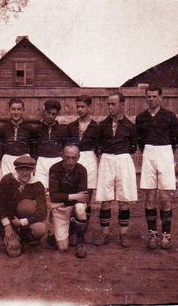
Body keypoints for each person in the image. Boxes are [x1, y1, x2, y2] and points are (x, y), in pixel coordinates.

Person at [136, 85, 178, 250]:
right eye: (149, 97)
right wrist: (150, 151)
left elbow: (175, 140)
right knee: (150, 196)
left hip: (165, 153)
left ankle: (166, 236)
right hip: (149, 153)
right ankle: (152, 234)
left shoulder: (170, 116)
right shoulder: (141, 118)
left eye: (155, 96)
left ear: (161, 98)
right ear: (146, 97)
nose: (151, 99)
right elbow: (140, 141)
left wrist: (164, 152)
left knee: (164, 197)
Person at [94, 92, 137, 248]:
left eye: (113, 104)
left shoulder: (130, 126)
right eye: (108, 104)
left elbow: (133, 147)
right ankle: (104, 233)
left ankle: (123, 234)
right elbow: (97, 144)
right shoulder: (102, 125)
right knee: (105, 199)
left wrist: (120, 154)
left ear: (122, 105)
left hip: (123, 160)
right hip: (106, 160)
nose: (110, 107)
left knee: (123, 199)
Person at [0, 156, 47, 258]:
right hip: (8, 222)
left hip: (25, 223)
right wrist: (7, 225)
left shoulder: (38, 185)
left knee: (40, 228)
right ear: (16, 170)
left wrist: (22, 222)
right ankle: (13, 240)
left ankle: (25, 240)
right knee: (14, 253)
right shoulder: (7, 180)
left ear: (32, 170)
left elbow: (43, 212)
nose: (24, 173)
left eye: (27, 169)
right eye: (21, 169)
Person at [31, 99, 66, 246]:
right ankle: (37, 232)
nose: (51, 116)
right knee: (41, 197)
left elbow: (65, 148)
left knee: (55, 198)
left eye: (54, 114)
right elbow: (33, 150)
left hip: (56, 162)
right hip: (41, 163)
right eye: (48, 113)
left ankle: (53, 232)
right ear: (43, 112)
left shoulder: (63, 130)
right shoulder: (36, 130)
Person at [65, 95, 98, 243]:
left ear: (89, 107)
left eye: (82, 106)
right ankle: (72, 231)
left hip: (90, 159)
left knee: (87, 196)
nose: (79, 109)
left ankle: (83, 231)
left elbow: (99, 147)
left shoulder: (96, 127)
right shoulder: (71, 126)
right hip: (74, 160)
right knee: (74, 195)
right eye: (77, 106)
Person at [49, 144, 89, 258]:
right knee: (63, 248)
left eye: (74, 158)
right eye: (67, 157)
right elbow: (53, 196)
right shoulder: (54, 169)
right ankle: (61, 233)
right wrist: (74, 197)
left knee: (80, 208)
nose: (70, 161)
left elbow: (83, 197)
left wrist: (64, 199)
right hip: (61, 208)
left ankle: (80, 243)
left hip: (67, 205)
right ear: (62, 156)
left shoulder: (81, 170)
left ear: (79, 157)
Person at [0, 98, 34, 180]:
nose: (16, 112)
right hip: (7, 160)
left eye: (19, 109)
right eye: (13, 109)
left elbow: (33, 148)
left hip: (24, 159)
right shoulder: (3, 128)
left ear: (23, 110)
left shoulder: (29, 128)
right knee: (6, 184)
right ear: (9, 110)